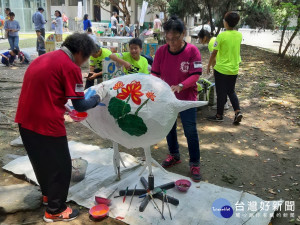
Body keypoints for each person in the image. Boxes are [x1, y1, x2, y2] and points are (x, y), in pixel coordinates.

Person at [15, 33, 107, 223]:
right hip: (46, 124)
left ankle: (49, 196)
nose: (85, 62)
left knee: (41, 161)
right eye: (87, 57)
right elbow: (81, 105)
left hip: (25, 122)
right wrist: (99, 97)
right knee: (61, 166)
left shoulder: (42, 59)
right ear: (80, 52)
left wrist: (63, 106)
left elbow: (46, 90)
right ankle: (55, 210)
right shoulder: (70, 67)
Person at [151, 16, 202, 182]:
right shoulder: (161, 52)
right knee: (169, 127)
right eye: (168, 39)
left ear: (183, 34)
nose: (171, 43)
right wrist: (157, 88)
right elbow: (155, 74)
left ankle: (194, 163)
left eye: (176, 38)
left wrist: (181, 85)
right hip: (167, 98)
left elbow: (196, 74)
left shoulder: (192, 51)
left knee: (190, 130)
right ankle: (174, 155)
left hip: (187, 97)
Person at [207, 11, 243, 125]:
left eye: (224, 20)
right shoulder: (239, 35)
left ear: (226, 22)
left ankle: (219, 115)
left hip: (221, 69)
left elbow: (214, 53)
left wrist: (208, 65)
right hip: (234, 68)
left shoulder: (221, 35)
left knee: (221, 92)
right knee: (231, 91)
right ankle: (237, 111)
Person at [198, 29, 229, 110]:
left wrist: (214, 70)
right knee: (222, 86)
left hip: (220, 67)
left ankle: (223, 104)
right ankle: (224, 103)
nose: (199, 40)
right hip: (225, 66)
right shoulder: (214, 39)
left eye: (200, 38)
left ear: (204, 38)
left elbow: (214, 58)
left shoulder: (211, 43)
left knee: (219, 86)